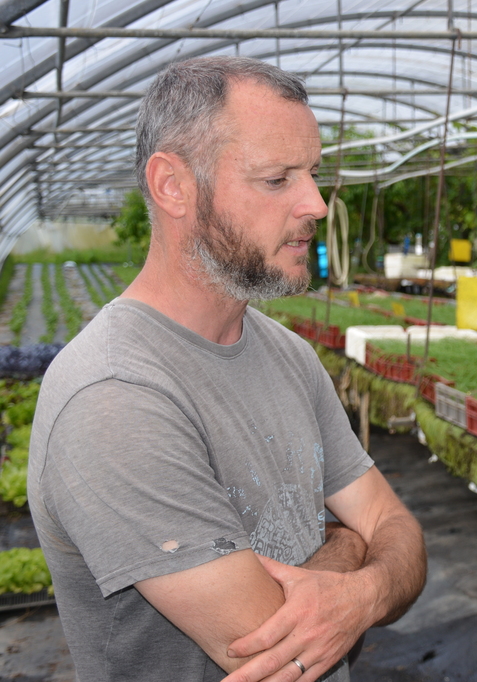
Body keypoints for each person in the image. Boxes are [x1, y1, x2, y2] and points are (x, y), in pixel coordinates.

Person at [28, 56, 427, 682]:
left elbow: (398, 529)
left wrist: (364, 593)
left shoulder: (288, 356)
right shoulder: (114, 396)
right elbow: (274, 653)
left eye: (313, 174)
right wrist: (353, 546)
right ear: (173, 186)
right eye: (277, 179)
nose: (316, 205)